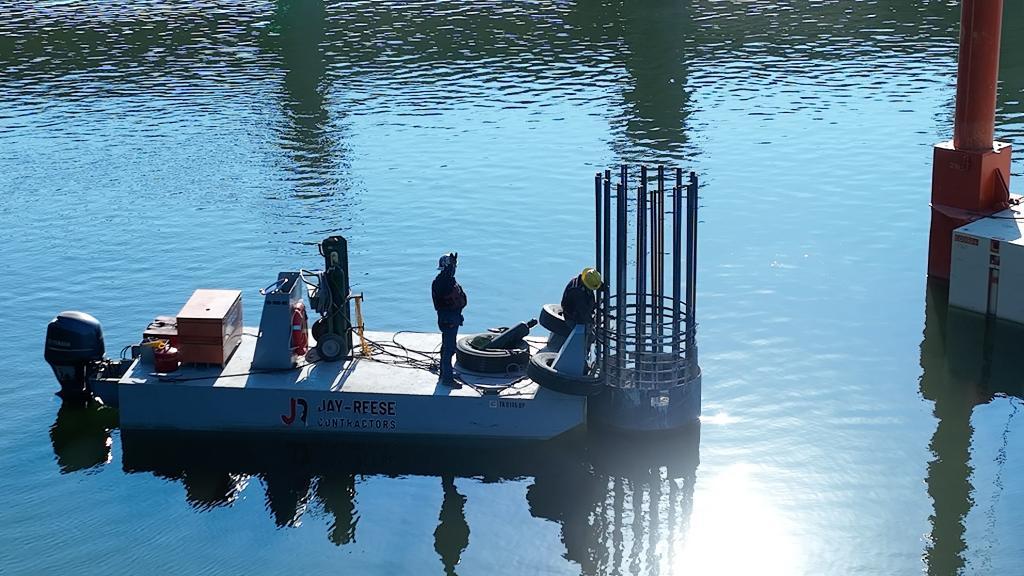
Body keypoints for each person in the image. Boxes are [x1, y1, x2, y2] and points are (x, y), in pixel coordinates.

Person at [432, 252, 467, 388]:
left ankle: (445, 373)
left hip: (452, 317)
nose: (454, 269)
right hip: (448, 320)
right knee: (449, 349)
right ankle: (447, 378)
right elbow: (448, 301)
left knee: (446, 346)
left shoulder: (445, 280)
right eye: (452, 266)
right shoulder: (443, 283)